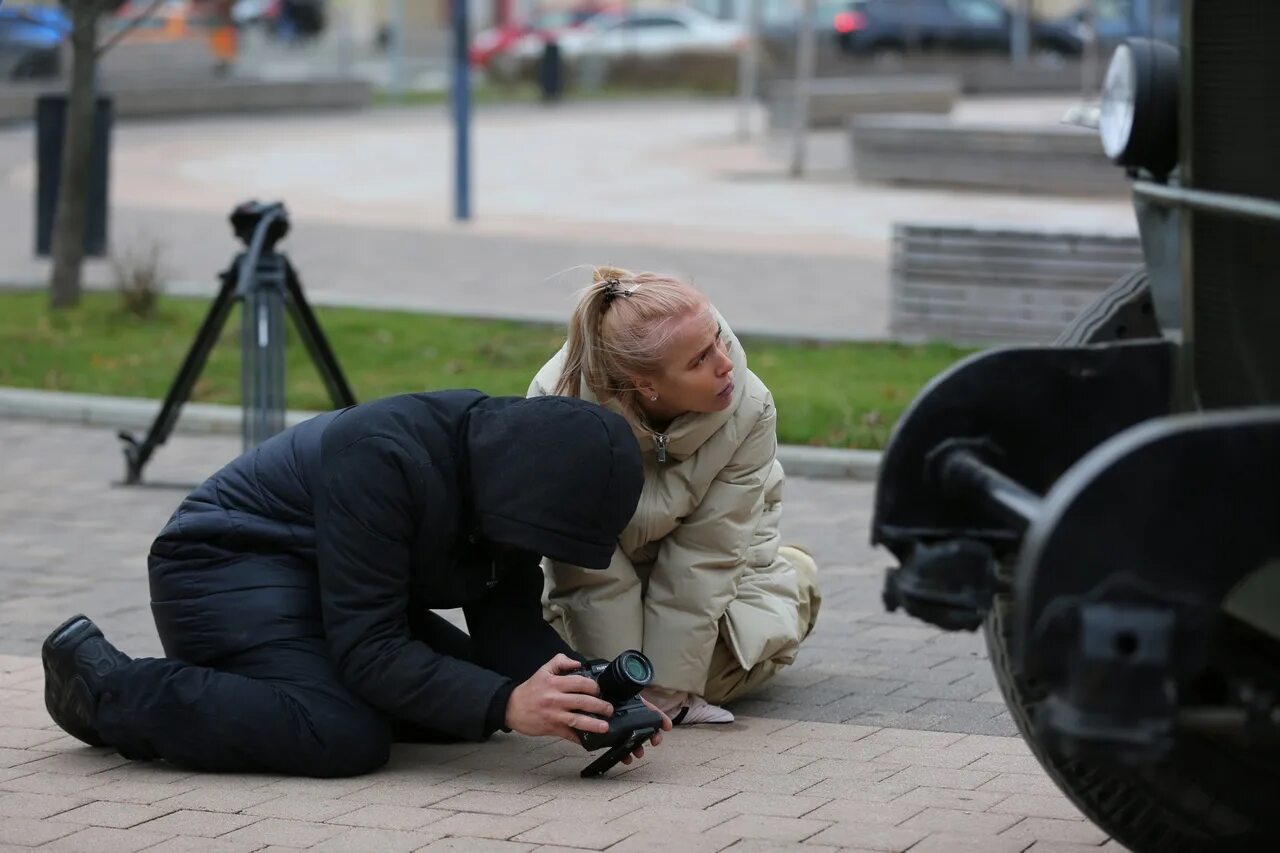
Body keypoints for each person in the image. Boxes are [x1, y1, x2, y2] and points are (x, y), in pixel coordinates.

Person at [42, 391, 670, 777]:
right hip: (221, 570)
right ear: (528, 495)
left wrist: (594, 692)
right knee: (339, 735)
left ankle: (279, 688)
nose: (542, 549)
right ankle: (103, 686)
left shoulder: (508, 478)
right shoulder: (387, 457)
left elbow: (506, 630)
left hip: (325, 589)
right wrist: (508, 704)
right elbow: (371, 650)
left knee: (461, 704)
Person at [528, 267, 822, 725]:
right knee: (584, 679)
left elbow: (706, 555)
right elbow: (586, 567)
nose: (726, 364)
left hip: (722, 568)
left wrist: (666, 692)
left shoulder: (750, 407)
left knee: (713, 677)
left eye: (719, 339)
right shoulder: (557, 404)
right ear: (646, 386)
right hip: (605, 573)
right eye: (700, 360)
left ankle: (796, 575)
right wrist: (622, 685)